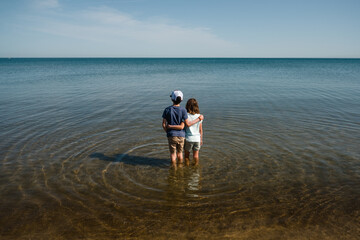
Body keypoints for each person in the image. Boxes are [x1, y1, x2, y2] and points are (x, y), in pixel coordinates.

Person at [162, 91, 203, 167]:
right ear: (181, 100)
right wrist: (199, 119)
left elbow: (164, 124)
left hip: (174, 135)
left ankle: (174, 169)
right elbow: (186, 125)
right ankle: (184, 168)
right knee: (181, 153)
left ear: (172, 99)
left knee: (173, 154)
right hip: (183, 136)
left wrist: (168, 131)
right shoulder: (184, 111)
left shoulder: (167, 109)